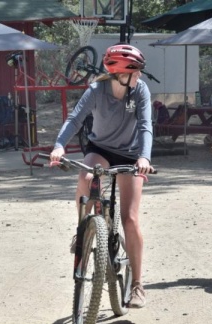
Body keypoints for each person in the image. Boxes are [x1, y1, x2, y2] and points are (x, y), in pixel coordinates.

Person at [50, 44, 153, 308]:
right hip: (101, 149)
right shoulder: (96, 91)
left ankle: (138, 285)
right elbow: (75, 119)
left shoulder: (140, 91)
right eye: (135, 72)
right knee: (85, 178)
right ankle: (83, 227)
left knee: (130, 218)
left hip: (131, 156)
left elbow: (145, 126)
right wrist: (59, 145)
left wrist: (144, 157)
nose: (139, 76)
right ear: (120, 73)